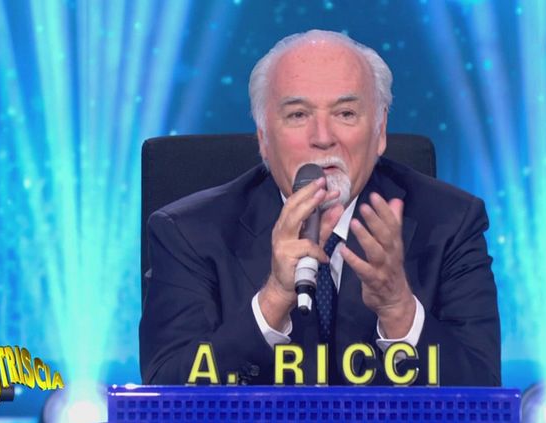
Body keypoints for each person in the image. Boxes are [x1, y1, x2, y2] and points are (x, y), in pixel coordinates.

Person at [139, 30, 500, 386]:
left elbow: (483, 392)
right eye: (298, 115)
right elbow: (166, 391)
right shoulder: (189, 232)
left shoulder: (451, 222)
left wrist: (398, 310)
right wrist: (273, 300)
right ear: (263, 138)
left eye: (345, 113)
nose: (323, 137)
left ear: (380, 131)